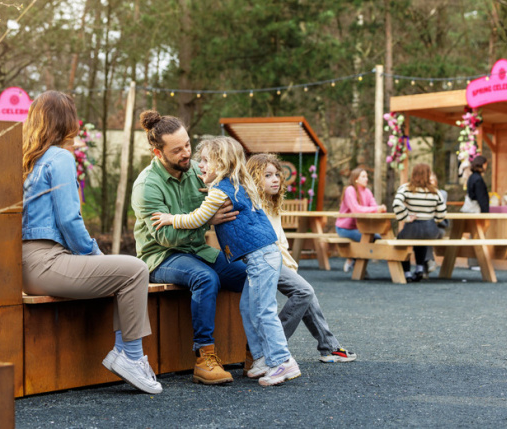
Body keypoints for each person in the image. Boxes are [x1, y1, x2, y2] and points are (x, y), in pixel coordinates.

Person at [21, 91, 161, 394]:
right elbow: (69, 221)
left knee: (123, 272)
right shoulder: (59, 157)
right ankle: (132, 357)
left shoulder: (29, 159)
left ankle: (126, 353)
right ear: (66, 121)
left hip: (28, 263)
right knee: (135, 269)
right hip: (46, 261)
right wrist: (93, 253)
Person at [151, 138, 301, 387]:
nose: (201, 164)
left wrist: (170, 218)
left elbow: (197, 218)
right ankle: (262, 357)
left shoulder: (221, 190)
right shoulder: (233, 183)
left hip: (262, 257)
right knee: (247, 307)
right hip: (258, 257)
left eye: (206, 160)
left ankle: (283, 360)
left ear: (220, 163)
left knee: (263, 310)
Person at [131, 111, 246, 385]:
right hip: (161, 257)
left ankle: (253, 349)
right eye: (177, 150)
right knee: (206, 278)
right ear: (158, 153)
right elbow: (166, 237)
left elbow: (229, 194)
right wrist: (206, 223)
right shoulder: (147, 185)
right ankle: (204, 358)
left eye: (187, 145)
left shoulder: (198, 170)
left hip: (198, 250)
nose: (187, 154)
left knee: (247, 275)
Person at [246, 153, 357, 364]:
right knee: (304, 291)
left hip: (277, 259)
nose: (275, 179)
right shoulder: (253, 204)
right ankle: (268, 344)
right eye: (267, 175)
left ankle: (329, 347)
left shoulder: (271, 202)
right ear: (253, 178)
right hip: (262, 260)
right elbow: (264, 242)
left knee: (307, 293)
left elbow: (280, 239)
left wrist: (288, 263)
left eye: (277, 174)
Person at [392, 163, 447, 282]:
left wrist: (405, 217)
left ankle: (406, 272)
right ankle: (419, 269)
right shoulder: (435, 192)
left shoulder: (406, 188)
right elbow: (442, 214)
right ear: (428, 175)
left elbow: (396, 203)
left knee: (401, 241)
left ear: (414, 174)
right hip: (431, 230)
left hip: (412, 228)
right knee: (422, 241)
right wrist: (432, 218)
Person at [335, 167, 387, 273]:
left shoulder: (367, 191)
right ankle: (356, 262)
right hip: (345, 228)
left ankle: (356, 263)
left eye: (367, 176)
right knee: (370, 239)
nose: (366, 179)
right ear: (356, 179)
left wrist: (380, 209)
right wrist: (376, 209)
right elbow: (356, 209)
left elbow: (374, 206)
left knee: (376, 238)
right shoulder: (350, 190)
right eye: (363, 176)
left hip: (360, 229)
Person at [464, 155, 490, 270]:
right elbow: (481, 198)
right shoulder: (478, 179)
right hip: (476, 211)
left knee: (473, 236)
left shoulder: (471, 177)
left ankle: (473, 262)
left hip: (471, 210)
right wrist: (486, 213)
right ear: (482, 164)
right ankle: (474, 263)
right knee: (477, 236)